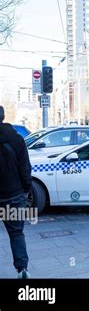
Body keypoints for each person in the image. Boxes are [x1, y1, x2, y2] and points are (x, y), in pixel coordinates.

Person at [0, 106, 32, 278]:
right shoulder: (17, 140)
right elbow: (25, 169)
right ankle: (22, 269)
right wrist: (25, 190)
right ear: (3, 117)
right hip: (13, 195)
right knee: (16, 233)